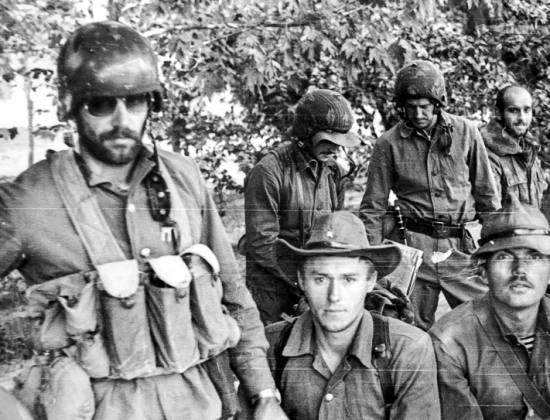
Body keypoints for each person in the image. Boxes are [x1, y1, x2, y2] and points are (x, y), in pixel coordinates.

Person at [0, 21, 287, 420]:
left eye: (135, 101)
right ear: (70, 105)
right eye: (100, 104)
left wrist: (264, 394)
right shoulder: (28, 202)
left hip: (200, 406)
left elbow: (234, 295)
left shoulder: (184, 178)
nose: (121, 119)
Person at [359, 59, 500, 330]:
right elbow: (372, 208)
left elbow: (487, 196)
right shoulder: (388, 144)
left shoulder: (466, 132)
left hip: (460, 248)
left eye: (424, 106)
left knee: (486, 322)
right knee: (407, 328)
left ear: (437, 103)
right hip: (413, 249)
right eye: (410, 107)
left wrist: (496, 246)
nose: (417, 113)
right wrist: (374, 262)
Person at [264, 211, 441, 419]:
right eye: (320, 279)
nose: (334, 296)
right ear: (302, 280)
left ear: (370, 281)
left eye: (349, 280)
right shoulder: (271, 346)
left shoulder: (407, 349)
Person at [244, 89, 361, 324]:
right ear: (307, 134)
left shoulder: (333, 172)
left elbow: (335, 229)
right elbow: (261, 243)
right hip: (273, 289)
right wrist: (303, 280)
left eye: (339, 143)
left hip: (315, 283)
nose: (335, 150)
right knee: (275, 342)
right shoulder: (269, 172)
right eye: (328, 142)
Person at [430, 200, 550, 419]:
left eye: (534, 257)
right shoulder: (449, 342)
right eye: (504, 257)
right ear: (483, 272)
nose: (520, 270)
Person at [480, 85, 547, 207]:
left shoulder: (530, 148)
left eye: (527, 110)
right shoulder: (487, 154)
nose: (522, 118)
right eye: (514, 111)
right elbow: (490, 212)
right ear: (498, 113)